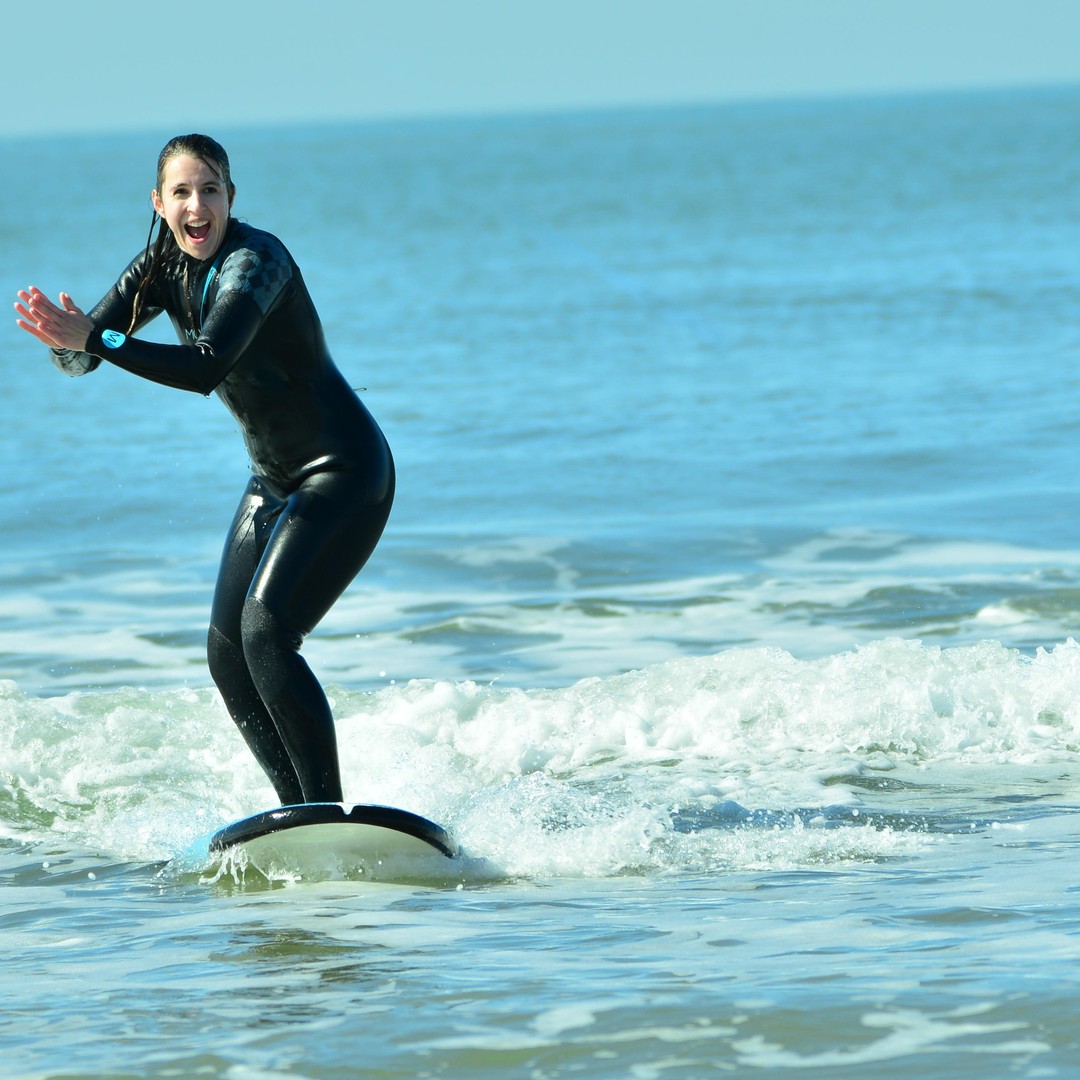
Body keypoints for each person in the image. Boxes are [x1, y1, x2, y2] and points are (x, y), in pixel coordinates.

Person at [14, 134, 394, 807]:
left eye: (211, 189)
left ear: (230, 198)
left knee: (266, 634)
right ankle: (298, 812)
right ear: (159, 204)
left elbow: (205, 365)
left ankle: (328, 810)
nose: (198, 205)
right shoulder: (159, 265)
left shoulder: (257, 262)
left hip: (344, 471)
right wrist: (65, 341)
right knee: (228, 656)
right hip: (272, 480)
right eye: (182, 193)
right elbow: (86, 355)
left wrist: (95, 338)